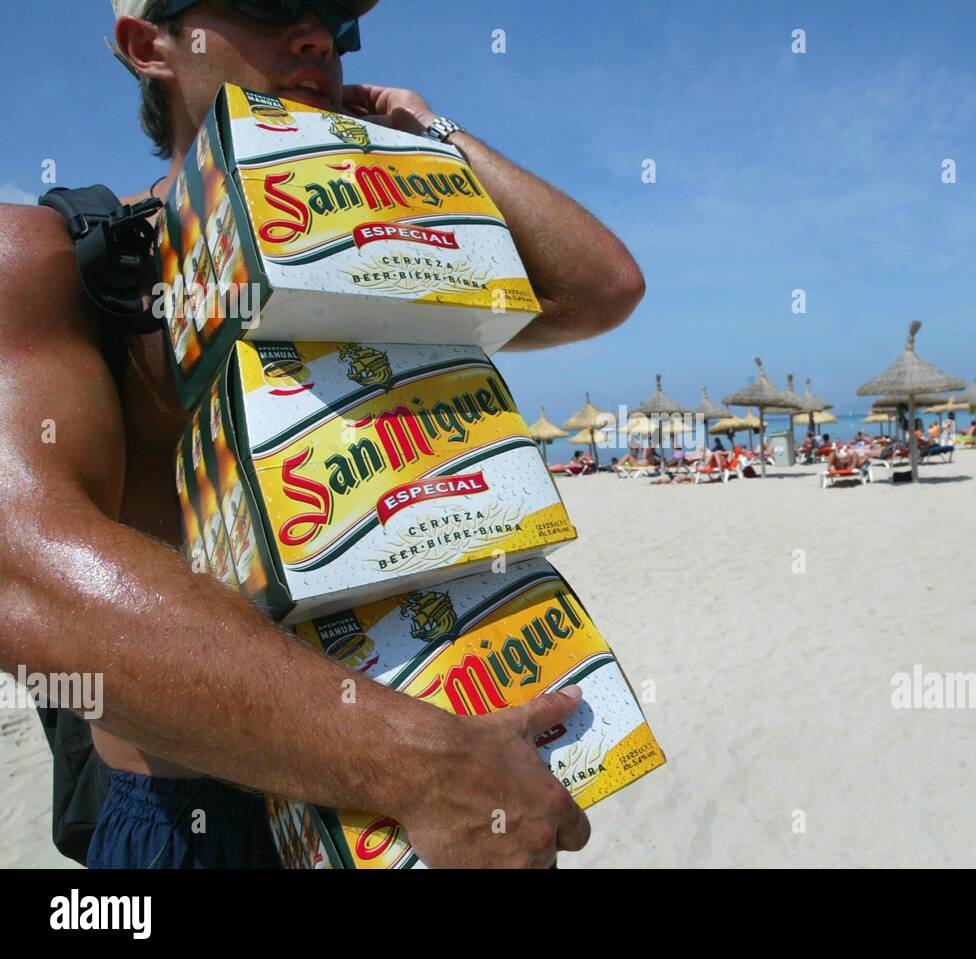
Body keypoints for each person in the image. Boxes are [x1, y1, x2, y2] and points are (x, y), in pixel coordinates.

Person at [0, 0, 646, 870]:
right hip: (210, 816)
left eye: (336, 20)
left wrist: (426, 128)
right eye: (267, 7)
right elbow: (25, 571)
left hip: (421, 789)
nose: (312, 37)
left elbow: (599, 287)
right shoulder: (60, 258)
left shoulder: (379, 246)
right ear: (148, 44)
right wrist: (422, 763)